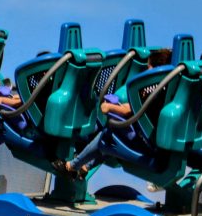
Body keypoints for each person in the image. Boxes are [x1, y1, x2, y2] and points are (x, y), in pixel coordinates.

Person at [52, 47, 172, 179]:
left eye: (148, 67)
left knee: (108, 134)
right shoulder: (168, 86)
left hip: (148, 144)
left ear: (155, 68)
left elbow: (130, 110)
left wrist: (109, 108)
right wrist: (119, 106)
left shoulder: (154, 87)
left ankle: (71, 166)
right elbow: (139, 107)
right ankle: (84, 167)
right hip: (157, 142)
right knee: (112, 135)